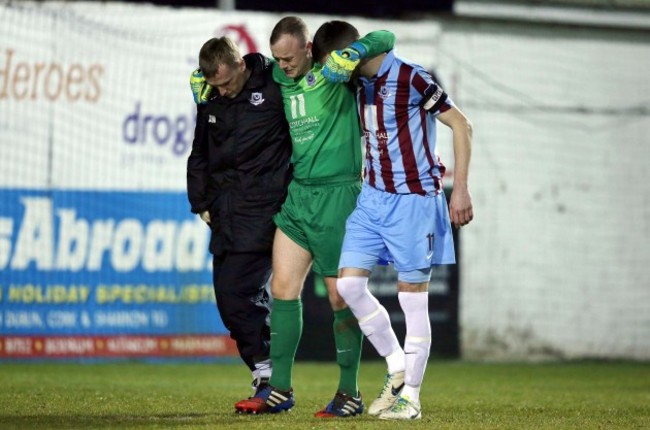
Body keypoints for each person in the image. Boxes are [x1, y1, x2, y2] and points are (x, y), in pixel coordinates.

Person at [232, 18, 396, 417]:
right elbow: (244, 66)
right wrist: (207, 78)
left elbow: (386, 38)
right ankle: (280, 389)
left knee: (342, 296)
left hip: (338, 197)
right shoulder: (276, 74)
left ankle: (349, 393)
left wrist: (353, 53)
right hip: (299, 196)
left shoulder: (335, 73)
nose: (283, 66)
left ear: (308, 48)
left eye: (289, 57)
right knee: (283, 290)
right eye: (278, 59)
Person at [322, 37, 474, 420]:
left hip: (414, 201)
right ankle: (396, 369)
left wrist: (462, 190)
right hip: (372, 199)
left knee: (412, 298)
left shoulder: (412, 77)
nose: (334, 69)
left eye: (338, 60)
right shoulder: (358, 85)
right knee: (349, 286)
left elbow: (461, 124)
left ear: (352, 53)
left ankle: (412, 399)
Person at [186, 37, 292, 409]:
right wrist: (201, 203)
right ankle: (267, 375)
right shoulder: (211, 99)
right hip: (225, 214)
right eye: (215, 85)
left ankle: (271, 375)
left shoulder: (275, 85)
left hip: (264, 210)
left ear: (241, 66)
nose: (223, 91)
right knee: (228, 301)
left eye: (227, 83)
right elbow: (200, 153)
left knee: (237, 292)